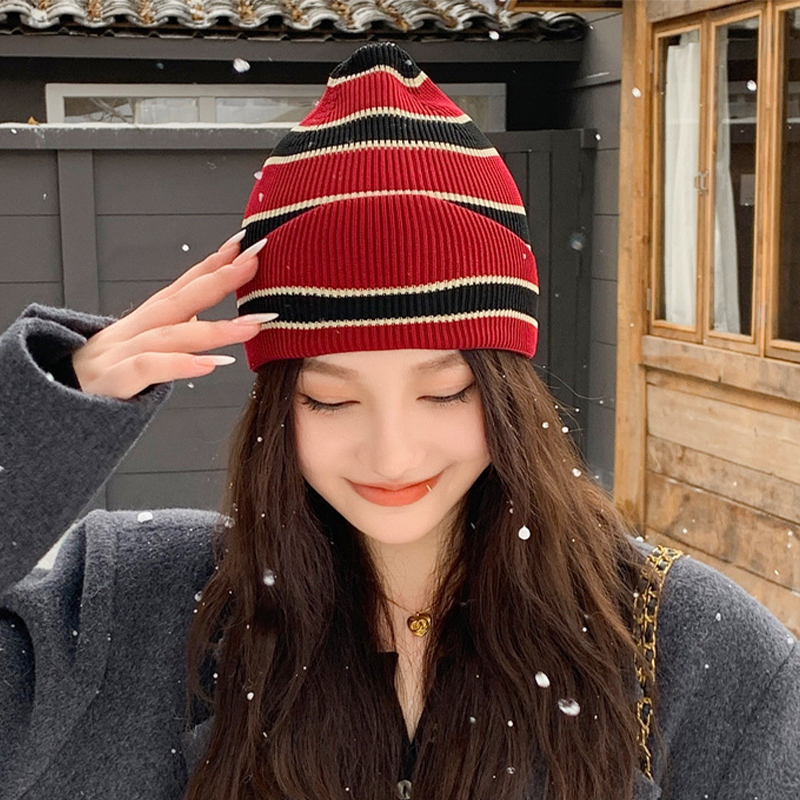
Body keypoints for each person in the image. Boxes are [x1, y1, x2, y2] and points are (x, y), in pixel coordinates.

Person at [0, 42, 798, 800]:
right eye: (331, 399)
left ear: (509, 394)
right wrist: (41, 412)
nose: (392, 453)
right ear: (278, 410)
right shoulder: (130, 616)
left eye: (445, 392)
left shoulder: (691, 649)